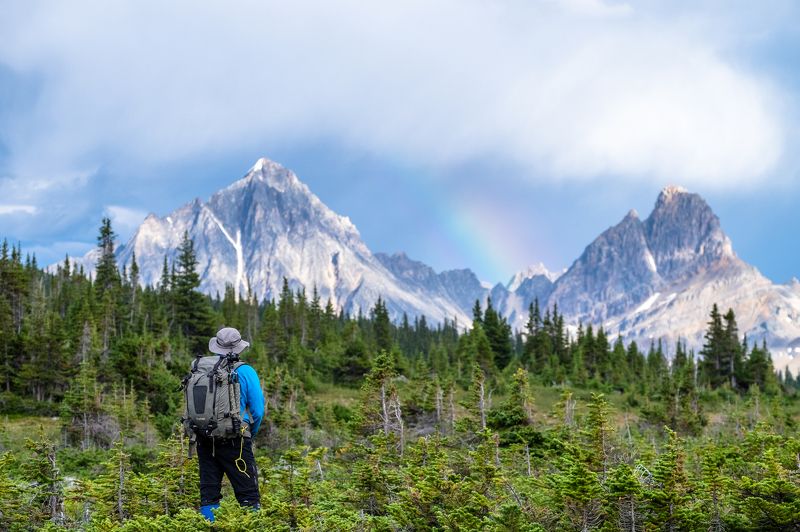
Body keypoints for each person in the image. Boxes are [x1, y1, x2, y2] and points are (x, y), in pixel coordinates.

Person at [197, 327, 265, 521]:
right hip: (236, 438)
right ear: (238, 348)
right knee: (248, 494)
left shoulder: (201, 369)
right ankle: (252, 525)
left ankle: (209, 525)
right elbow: (258, 410)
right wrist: (251, 431)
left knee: (209, 493)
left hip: (204, 438)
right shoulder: (245, 371)